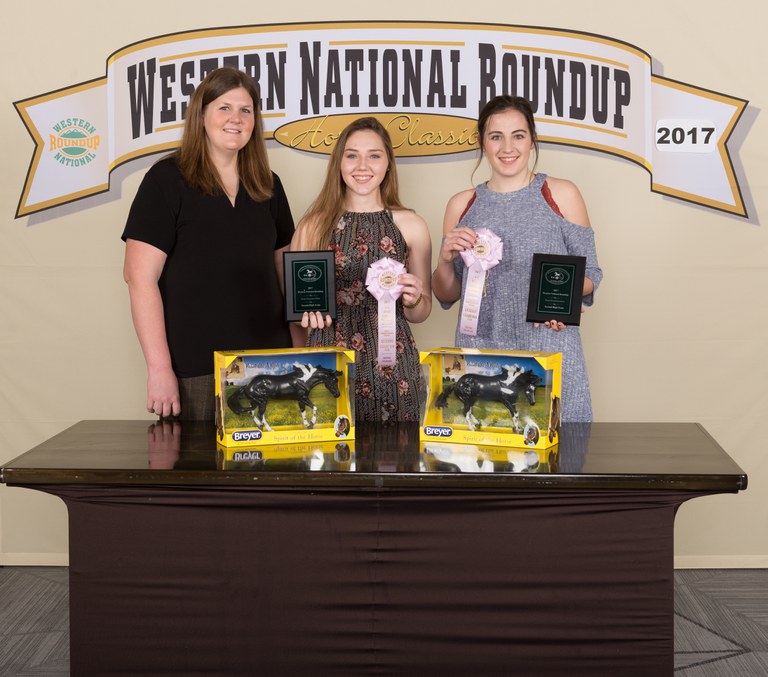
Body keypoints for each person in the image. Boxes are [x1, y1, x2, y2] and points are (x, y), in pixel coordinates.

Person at [122, 66, 294, 420]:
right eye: (224, 108)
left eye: (246, 110)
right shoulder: (167, 179)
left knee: (278, 474)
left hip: (270, 365)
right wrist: (159, 369)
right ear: (202, 115)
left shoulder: (269, 185)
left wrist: (300, 354)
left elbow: (288, 280)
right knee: (199, 474)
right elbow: (139, 278)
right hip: (197, 370)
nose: (236, 119)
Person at [432, 95, 602, 421]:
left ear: (532, 139)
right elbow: (447, 293)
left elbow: (591, 273)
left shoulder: (561, 194)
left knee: (562, 463)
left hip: (549, 350)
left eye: (518, 136)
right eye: (496, 136)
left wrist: (559, 301)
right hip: (483, 358)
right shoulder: (461, 205)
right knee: (484, 460)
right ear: (483, 142)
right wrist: (443, 259)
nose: (507, 147)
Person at [292, 117, 432, 422]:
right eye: (352, 155)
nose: (362, 165)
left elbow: (421, 312)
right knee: (328, 463)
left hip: (393, 368)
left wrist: (414, 299)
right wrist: (304, 317)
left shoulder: (412, 225)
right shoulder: (312, 226)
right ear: (339, 163)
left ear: (388, 164)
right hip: (327, 364)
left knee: (395, 460)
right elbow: (296, 312)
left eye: (374, 155)